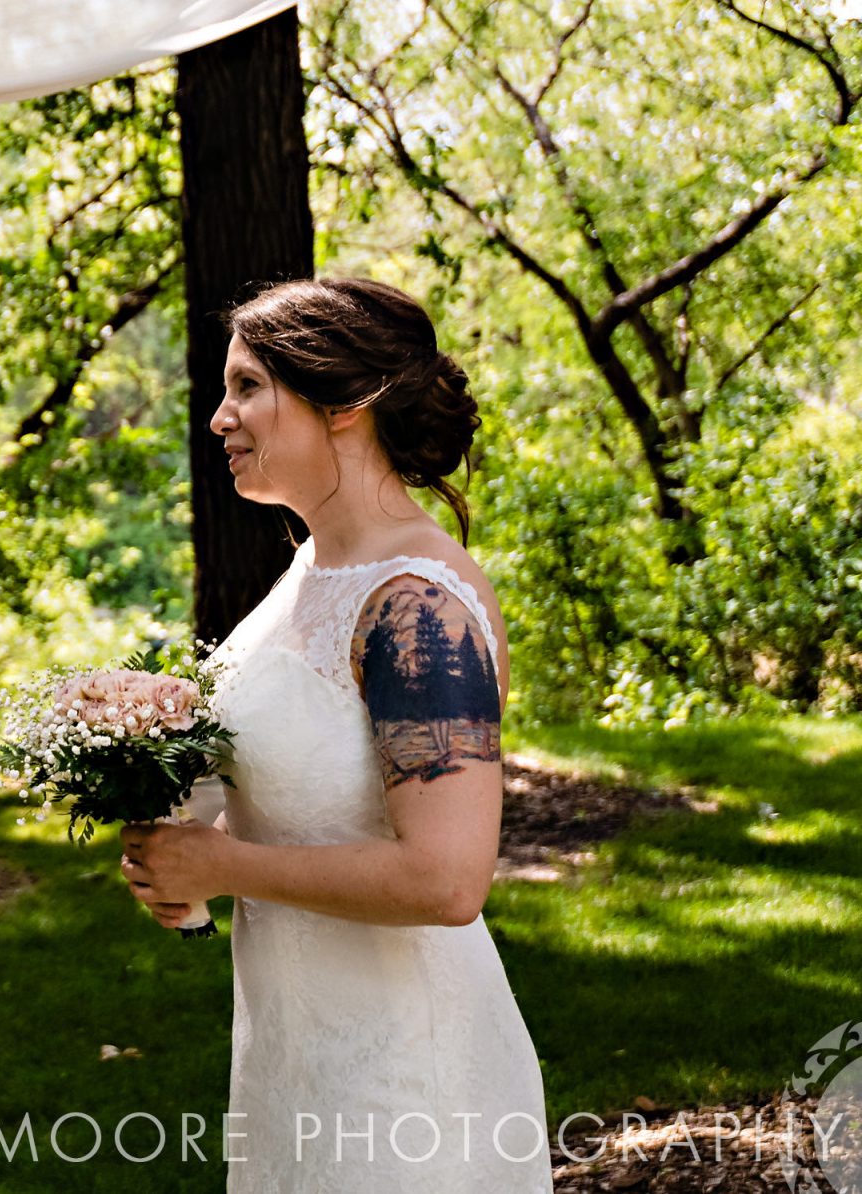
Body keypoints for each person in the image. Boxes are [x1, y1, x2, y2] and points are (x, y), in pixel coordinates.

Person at [118, 276, 548, 1192]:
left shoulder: (417, 607)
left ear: (346, 406)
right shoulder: (314, 564)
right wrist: (185, 853)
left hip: (405, 1089)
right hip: (294, 1064)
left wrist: (224, 868)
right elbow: (313, 798)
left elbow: (448, 877)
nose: (219, 418)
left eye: (247, 388)